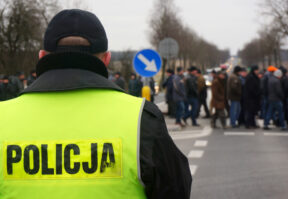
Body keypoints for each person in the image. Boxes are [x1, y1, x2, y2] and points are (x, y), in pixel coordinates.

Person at [0, 9, 191, 199]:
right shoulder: (140, 118)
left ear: (42, 56)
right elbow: (176, 189)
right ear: (106, 59)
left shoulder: (3, 118)